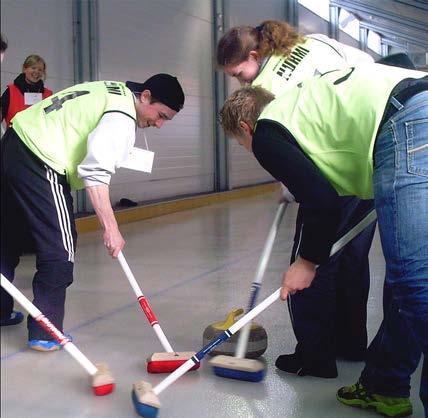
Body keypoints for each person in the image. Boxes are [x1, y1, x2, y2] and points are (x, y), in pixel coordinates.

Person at [219, 64, 427, 417]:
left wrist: (306, 263)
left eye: (242, 144)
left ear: (244, 127)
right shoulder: (298, 113)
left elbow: (323, 202)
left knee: (413, 281)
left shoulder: (267, 132)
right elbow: (328, 182)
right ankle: (385, 385)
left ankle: (384, 382)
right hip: (413, 113)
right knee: (409, 284)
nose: (249, 149)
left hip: (405, 123)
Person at [217, 20, 376, 377]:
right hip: (368, 154)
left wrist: (292, 181)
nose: (242, 82)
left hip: (334, 166)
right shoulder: (312, 42)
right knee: (351, 257)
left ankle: (315, 356)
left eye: (240, 73)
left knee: (311, 258)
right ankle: (351, 344)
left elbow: (291, 137)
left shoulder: (269, 86)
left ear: (255, 55)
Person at [0, 74, 185, 351]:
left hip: (14, 142)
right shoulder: (122, 117)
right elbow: (94, 171)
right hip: (40, 158)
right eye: (161, 116)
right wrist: (111, 227)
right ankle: (45, 332)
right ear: (145, 96)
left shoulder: (115, 89)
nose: (158, 124)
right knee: (60, 249)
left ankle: (1, 310)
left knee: (8, 235)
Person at [1, 54, 53, 127]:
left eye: (40, 70)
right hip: (15, 137)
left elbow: (53, 119)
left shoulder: (48, 95)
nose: (36, 72)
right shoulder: (11, 91)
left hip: (39, 137)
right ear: (25, 69)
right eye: (33, 68)